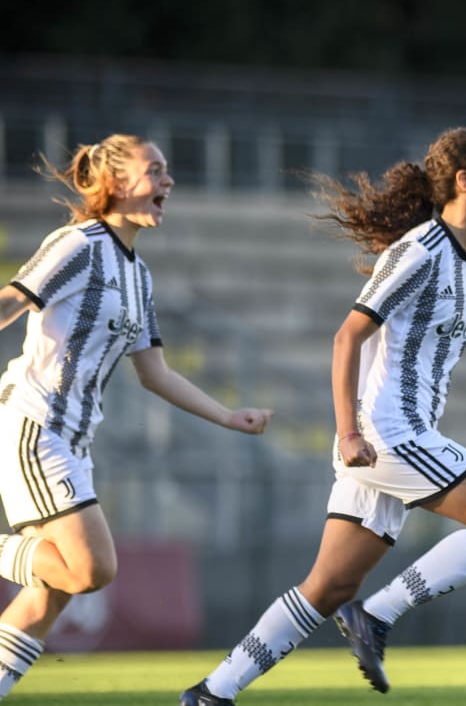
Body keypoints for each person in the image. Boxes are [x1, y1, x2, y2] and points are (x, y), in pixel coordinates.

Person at [180, 127, 466, 705]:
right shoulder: (416, 251)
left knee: (329, 586)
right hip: (387, 433)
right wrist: (348, 432)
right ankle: (376, 617)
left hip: (401, 437)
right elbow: (346, 337)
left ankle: (211, 692)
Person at [0, 134, 274, 700]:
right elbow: (11, 301)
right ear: (118, 184)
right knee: (89, 571)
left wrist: (228, 416)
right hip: (36, 427)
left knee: (53, 592)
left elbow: (156, 374)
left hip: (74, 442)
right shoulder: (77, 243)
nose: (168, 181)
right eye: (156, 170)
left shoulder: (138, 276)